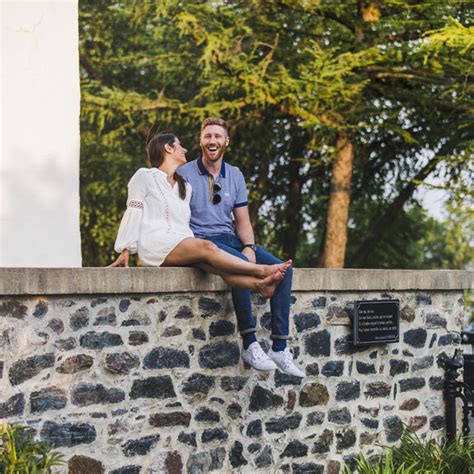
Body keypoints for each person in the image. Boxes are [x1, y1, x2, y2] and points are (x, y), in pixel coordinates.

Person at [178, 117, 305, 377]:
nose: (212, 141)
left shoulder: (234, 174)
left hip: (232, 238)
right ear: (201, 140)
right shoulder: (184, 173)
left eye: (217, 136)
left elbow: (243, 220)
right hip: (203, 241)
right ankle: (250, 343)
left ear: (226, 142)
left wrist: (249, 245)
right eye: (208, 136)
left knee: (285, 269)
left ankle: (280, 347)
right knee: (246, 268)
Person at [109, 133, 292, 302]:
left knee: (216, 265)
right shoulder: (145, 176)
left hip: (181, 241)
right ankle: (261, 270)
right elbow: (134, 211)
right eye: (180, 145)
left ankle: (259, 285)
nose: (185, 149)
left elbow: (183, 223)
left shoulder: (184, 187)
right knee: (207, 247)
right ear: (168, 148)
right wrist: (125, 249)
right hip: (156, 243)